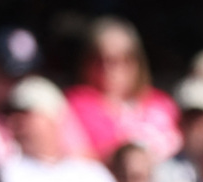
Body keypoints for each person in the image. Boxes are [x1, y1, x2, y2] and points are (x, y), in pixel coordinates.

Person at [65, 16, 181, 162]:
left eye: (122, 59)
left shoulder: (162, 104)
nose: (109, 69)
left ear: (137, 61)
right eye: (101, 59)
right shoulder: (76, 104)